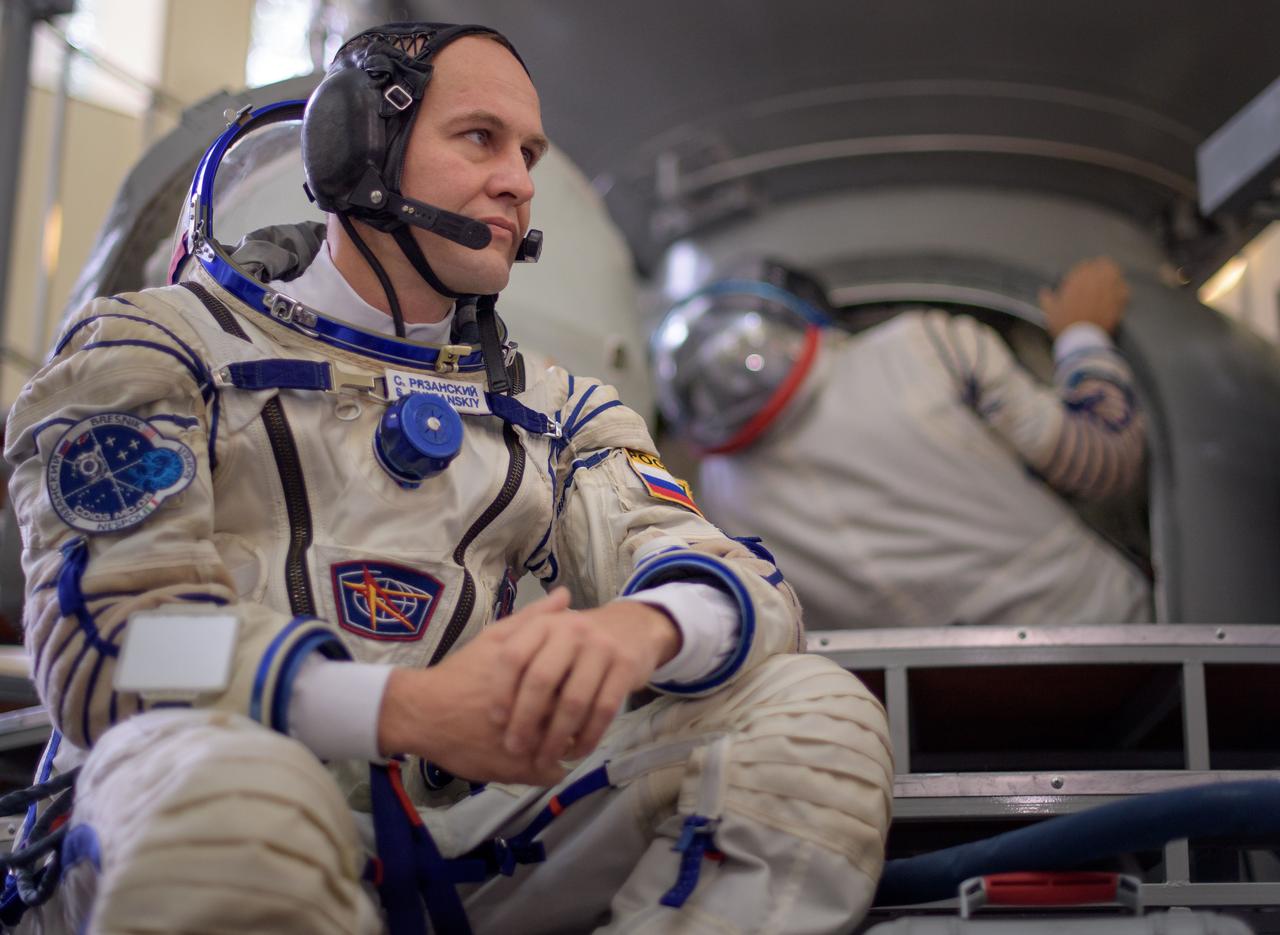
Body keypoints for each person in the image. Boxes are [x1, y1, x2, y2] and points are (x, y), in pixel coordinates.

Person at [2, 22, 892, 935]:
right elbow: (116, 641)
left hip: (445, 845)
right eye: (480, 138)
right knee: (238, 801)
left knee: (816, 724)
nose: (519, 181)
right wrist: (406, 709)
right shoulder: (152, 351)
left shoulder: (555, 408)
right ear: (355, 146)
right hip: (191, 808)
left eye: (528, 154)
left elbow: (748, 587)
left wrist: (641, 629)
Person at [652, 256, 1151, 630]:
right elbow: (1102, 460)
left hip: (945, 715)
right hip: (1114, 641)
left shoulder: (718, 497)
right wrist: (1083, 335)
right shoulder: (924, 345)